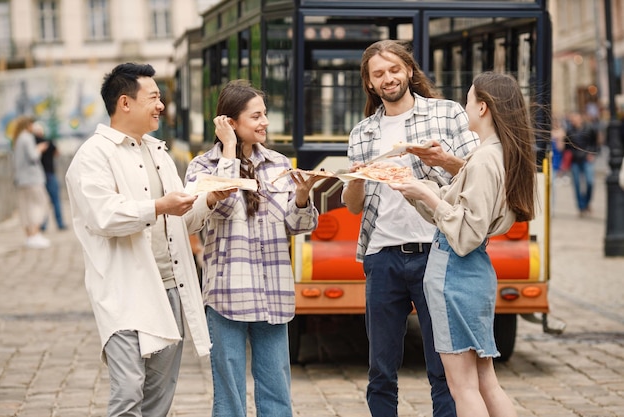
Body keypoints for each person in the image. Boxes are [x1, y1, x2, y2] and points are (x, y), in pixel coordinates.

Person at [65, 63, 212, 417]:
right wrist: (159, 205)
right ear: (125, 103)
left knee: (159, 395)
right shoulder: (93, 156)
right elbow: (104, 216)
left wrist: (209, 200)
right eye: (154, 97)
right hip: (125, 290)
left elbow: (183, 220)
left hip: (171, 287)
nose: (161, 105)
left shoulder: (158, 152)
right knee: (129, 390)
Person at [341, 39, 479, 417]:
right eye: (379, 74)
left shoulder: (448, 114)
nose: (388, 78)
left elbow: (478, 174)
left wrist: (443, 160)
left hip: (437, 251)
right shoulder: (362, 132)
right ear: (369, 83)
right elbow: (353, 206)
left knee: (444, 367)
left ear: (409, 71)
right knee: (381, 369)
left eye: (394, 70)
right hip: (382, 256)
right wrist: (355, 179)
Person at [390, 71, 536, 417]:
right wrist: (414, 187)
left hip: (454, 273)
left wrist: (423, 191)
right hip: (473, 274)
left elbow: (466, 232)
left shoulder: (485, 159)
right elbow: (462, 214)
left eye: (469, 99)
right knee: (485, 381)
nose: (464, 106)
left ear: (483, 107)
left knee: (463, 387)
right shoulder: (497, 153)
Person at [184, 79, 322, 417]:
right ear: (230, 123)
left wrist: (303, 197)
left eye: (265, 115)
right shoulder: (202, 167)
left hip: (273, 289)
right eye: (256, 116)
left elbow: (297, 226)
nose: (265, 123)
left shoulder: (278, 163)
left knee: (277, 393)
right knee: (228, 397)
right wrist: (229, 151)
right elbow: (218, 209)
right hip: (227, 293)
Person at [12, 115, 51, 249]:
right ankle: (35, 234)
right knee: (41, 204)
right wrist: (39, 149)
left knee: (25, 208)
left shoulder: (17, 139)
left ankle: (30, 236)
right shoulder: (27, 138)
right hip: (32, 179)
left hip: (21, 180)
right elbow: (33, 157)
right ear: (28, 125)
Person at [32, 122, 68, 230]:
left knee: (42, 202)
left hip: (38, 176)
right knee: (56, 200)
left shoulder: (32, 143)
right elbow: (57, 153)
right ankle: (60, 224)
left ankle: (43, 225)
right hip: (49, 174)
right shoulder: (48, 142)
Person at [565, 112, 599, 217]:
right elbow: (567, 146)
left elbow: (595, 143)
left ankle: (587, 202)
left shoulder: (589, 128)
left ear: (580, 119)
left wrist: (592, 153)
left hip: (587, 159)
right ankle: (581, 207)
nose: (573, 121)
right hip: (575, 161)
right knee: (577, 185)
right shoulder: (569, 130)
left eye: (575, 118)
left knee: (590, 182)